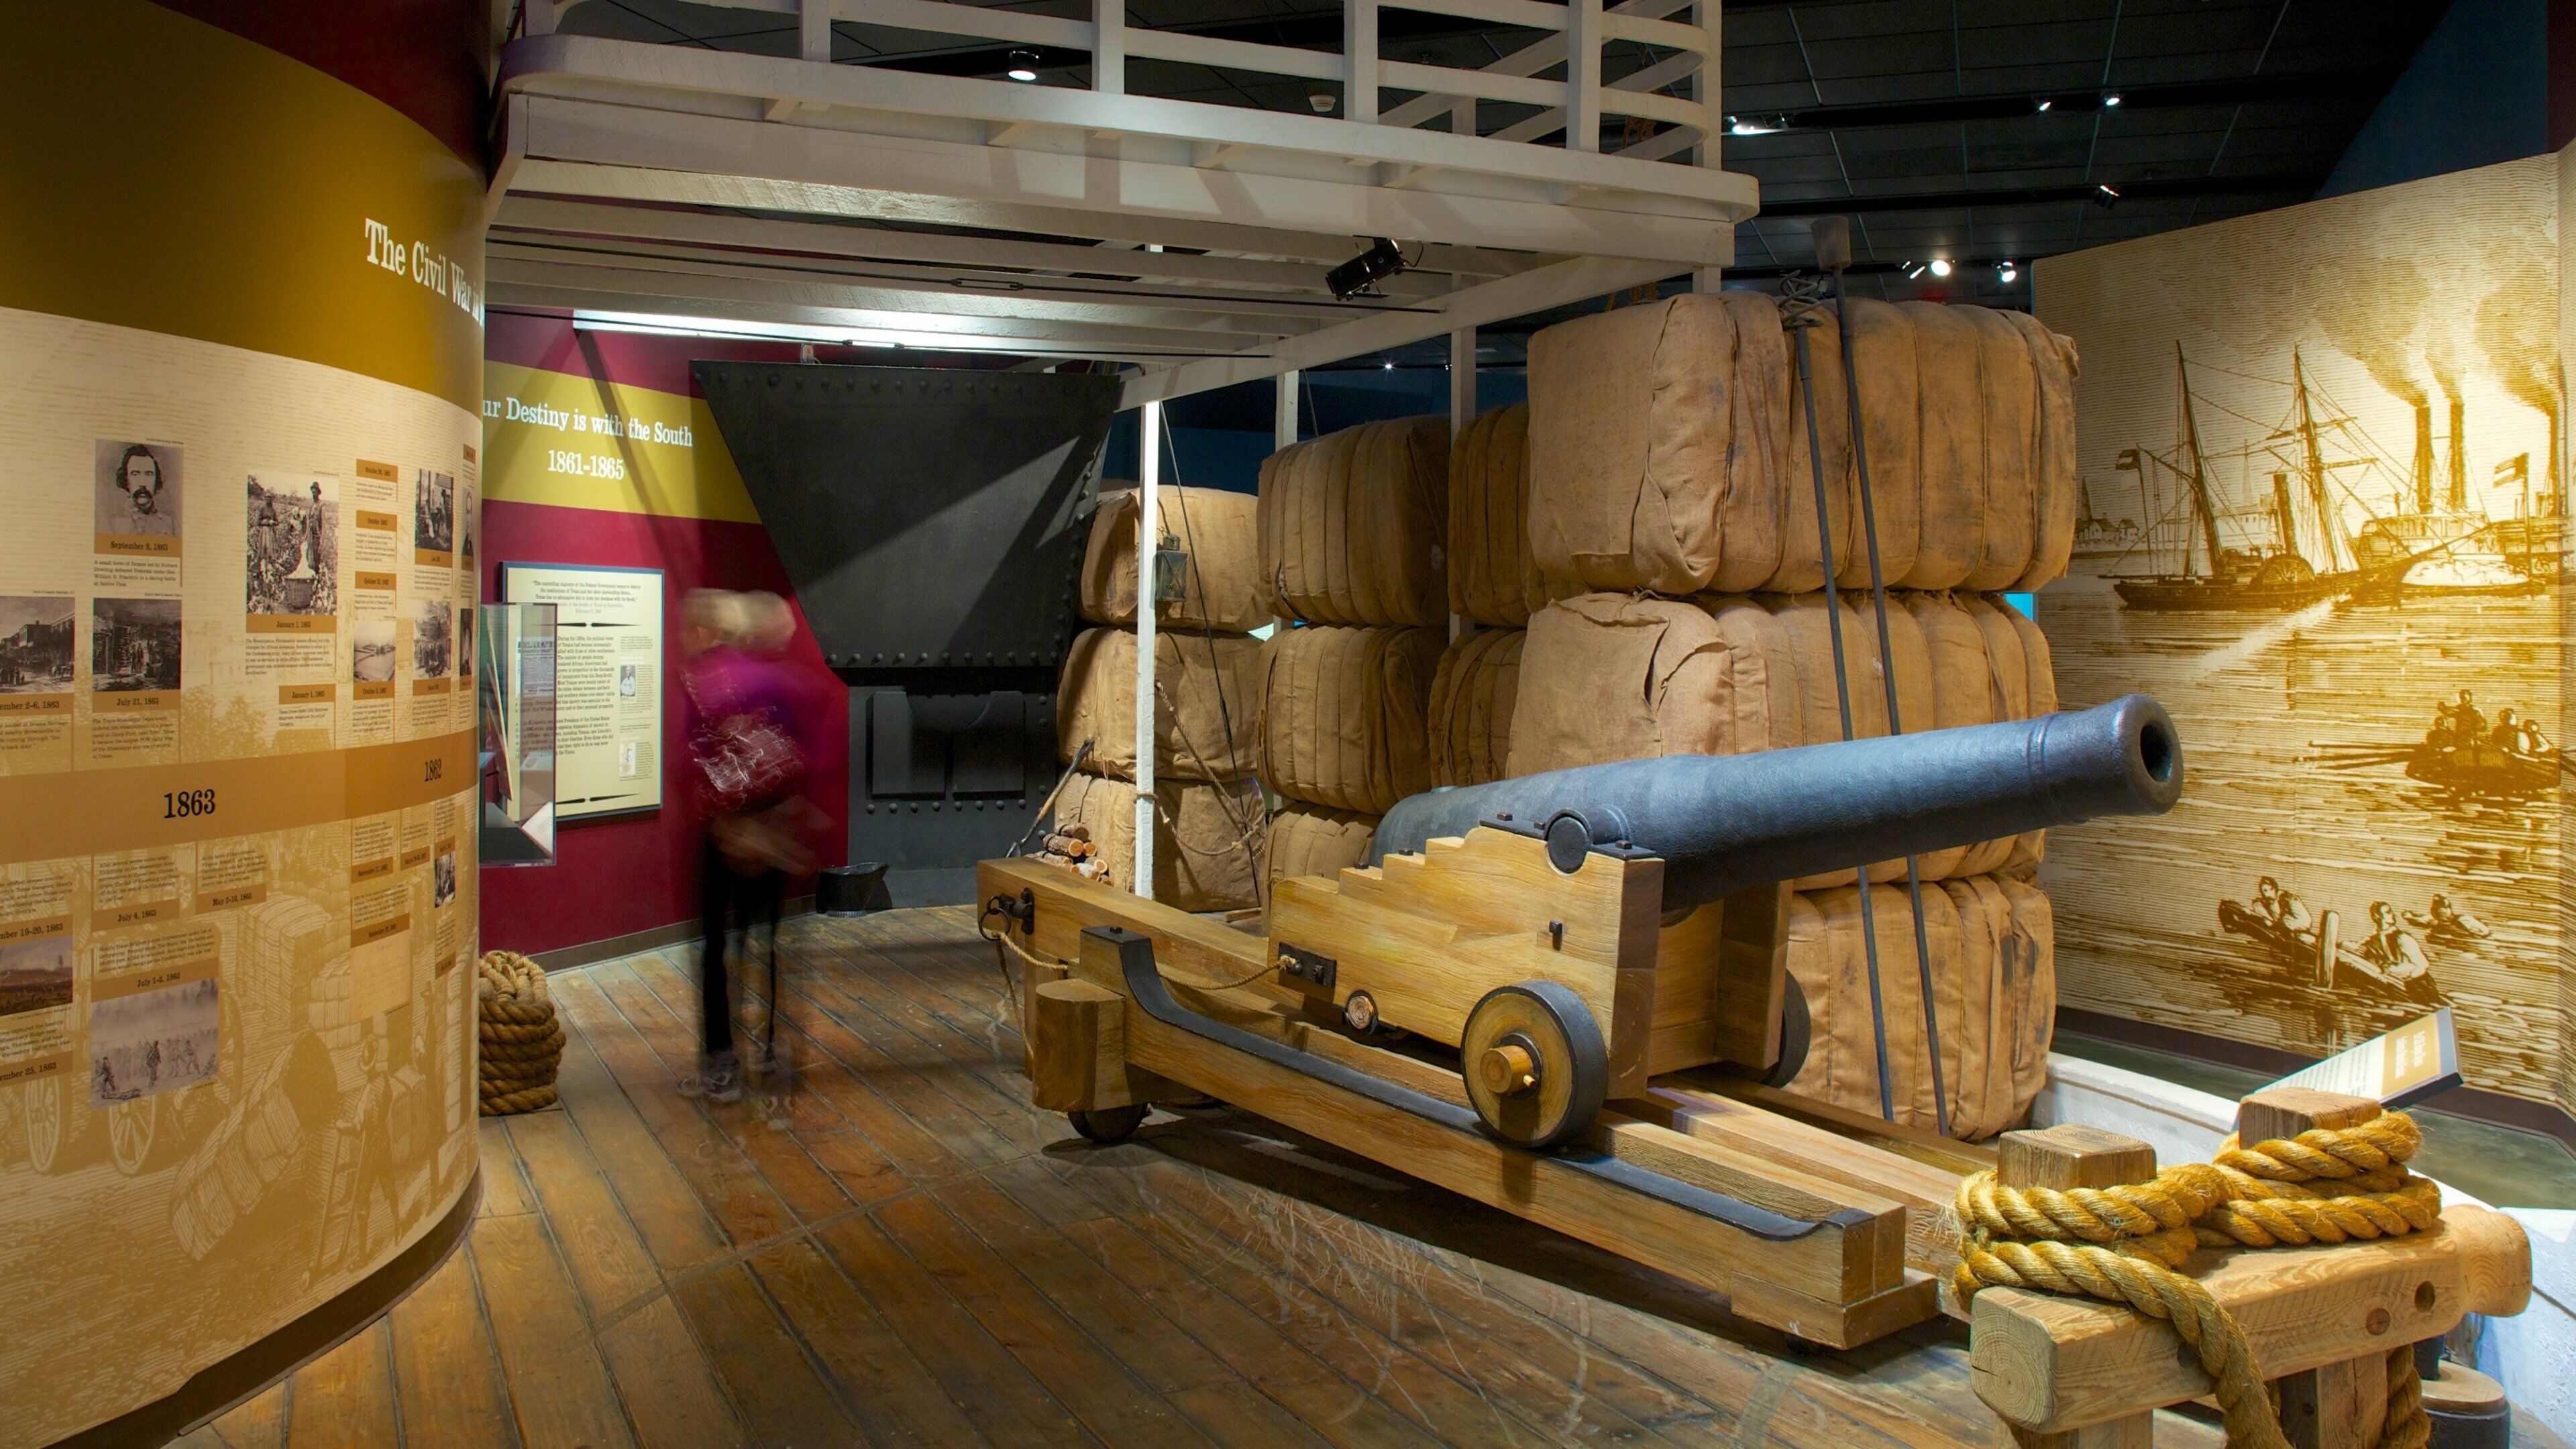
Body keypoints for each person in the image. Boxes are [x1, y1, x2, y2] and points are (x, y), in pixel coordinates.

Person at [676, 590, 827, 1103]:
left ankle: (722, 1065)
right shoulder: (782, 682)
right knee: (767, 944)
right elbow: (803, 757)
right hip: (776, 834)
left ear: (701, 630)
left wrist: (729, 826)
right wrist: (783, 824)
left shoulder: (703, 682)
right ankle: (771, 1050)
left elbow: (702, 761)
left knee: (718, 950)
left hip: (729, 835)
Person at [105, 444, 175, 536]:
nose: (142, 483)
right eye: (135, 474)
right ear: (126, 481)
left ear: (156, 481)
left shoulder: (169, 524)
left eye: (148, 474)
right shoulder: (112, 524)